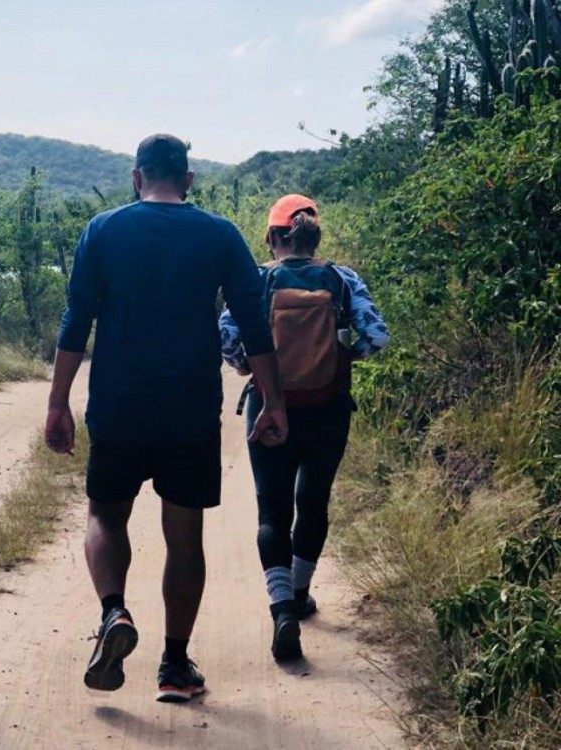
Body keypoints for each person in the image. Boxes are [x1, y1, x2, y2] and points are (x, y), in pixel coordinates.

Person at [46, 133, 288, 703]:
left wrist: (57, 402)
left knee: (106, 515)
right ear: (188, 180)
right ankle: (175, 666)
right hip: (189, 409)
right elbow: (256, 328)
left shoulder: (104, 229)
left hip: (119, 405)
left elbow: (75, 320)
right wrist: (274, 402)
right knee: (184, 537)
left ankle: (113, 612)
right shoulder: (220, 234)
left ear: (137, 177)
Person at [219, 195, 389, 661]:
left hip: (270, 405)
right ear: (316, 236)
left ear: (274, 238)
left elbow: (228, 339)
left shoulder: (257, 279)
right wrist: (339, 358)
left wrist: (249, 368)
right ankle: (299, 592)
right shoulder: (342, 279)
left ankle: (281, 612)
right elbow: (377, 335)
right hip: (327, 408)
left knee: (272, 512)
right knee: (312, 502)